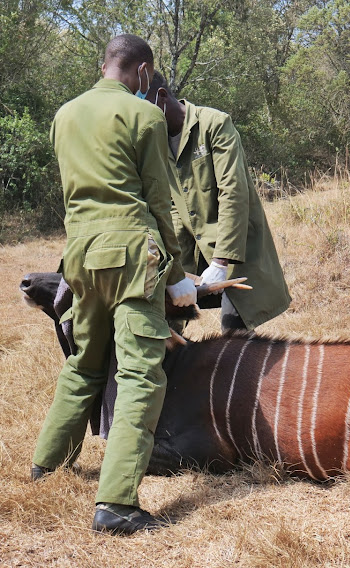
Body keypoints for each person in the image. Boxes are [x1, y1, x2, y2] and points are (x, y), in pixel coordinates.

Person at [31, 34, 197, 534]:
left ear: (103, 64)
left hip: (80, 255)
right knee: (142, 375)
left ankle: (45, 465)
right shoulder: (143, 115)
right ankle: (117, 503)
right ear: (143, 71)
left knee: (84, 361)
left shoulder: (64, 115)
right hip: (132, 258)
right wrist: (176, 273)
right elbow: (160, 204)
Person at [145, 72, 291, 332]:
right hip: (188, 249)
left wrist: (221, 262)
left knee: (235, 335)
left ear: (162, 98)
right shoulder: (154, 142)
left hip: (233, 250)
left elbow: (233, 193)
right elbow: (167, 207)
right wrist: (173, 270)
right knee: (165, 331)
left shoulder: (215, 124)